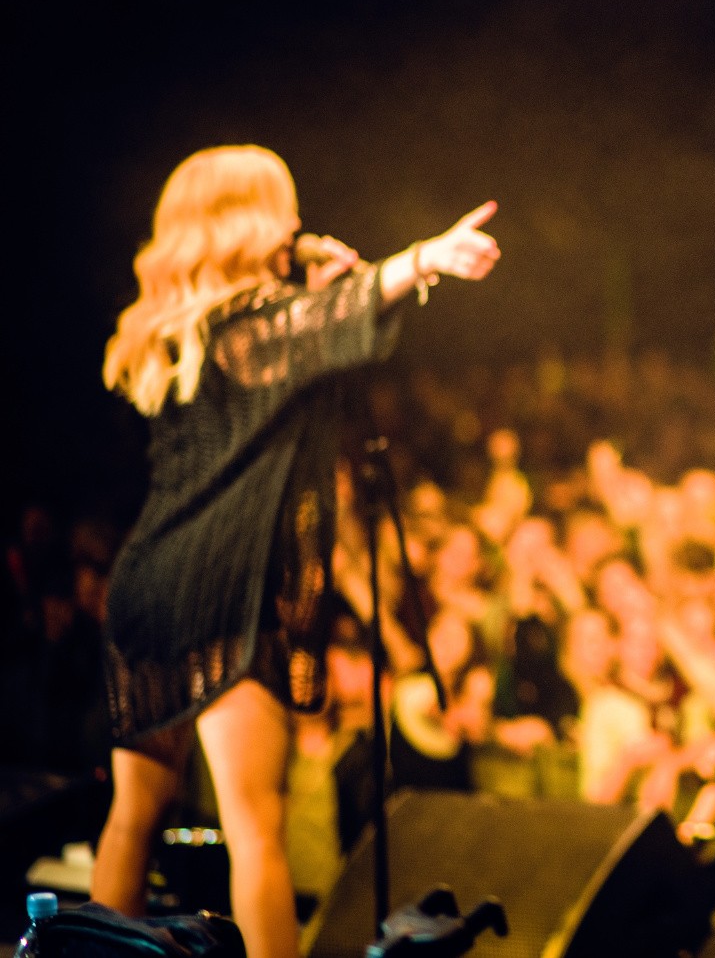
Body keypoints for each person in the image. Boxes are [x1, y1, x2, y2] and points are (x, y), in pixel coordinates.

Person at [92, 144, 500, 958]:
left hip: (148, 582)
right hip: (225, 589)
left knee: (134, 817)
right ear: (248, 217)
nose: (297, 220)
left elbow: (311, 333)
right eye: (283, 205)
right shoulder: (250, 330)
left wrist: (333, 283)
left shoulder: (179, 331)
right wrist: (421, 259)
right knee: (256, 830)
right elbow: (310, 327)